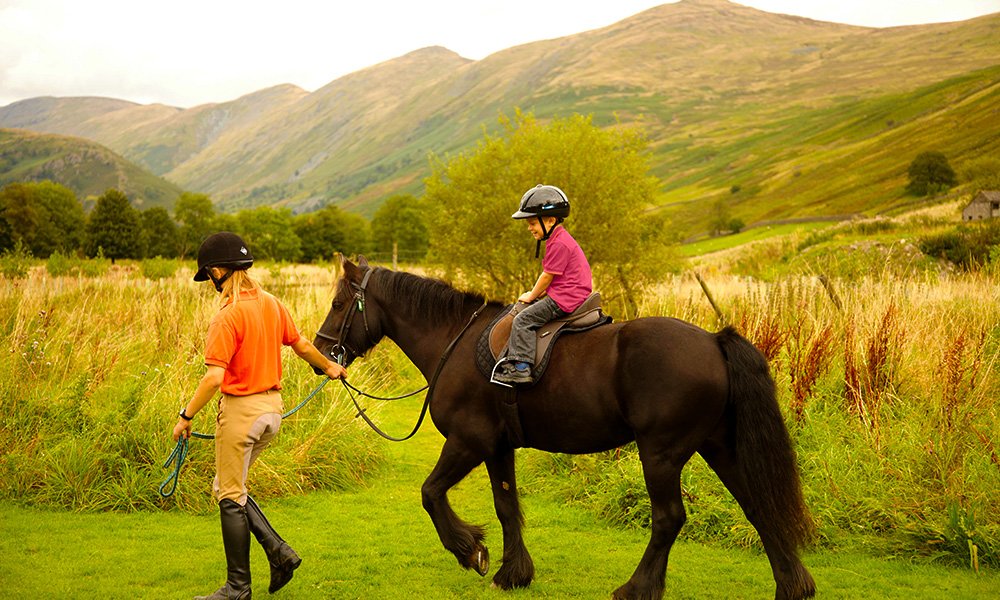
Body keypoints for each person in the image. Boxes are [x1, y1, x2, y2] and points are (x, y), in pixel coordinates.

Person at [171, 231, 347, 600]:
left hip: (241, 413)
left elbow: (214, 378)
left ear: (219, 271)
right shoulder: (271, 303)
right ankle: (279, 553)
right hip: (272, 413)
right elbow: (300, 344)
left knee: (229, 495)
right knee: (230, 488)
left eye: (209, 277)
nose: (210, 285)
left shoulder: (227, 316)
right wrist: (330, 367)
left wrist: (185, 415)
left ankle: (238, 587)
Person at [494, 184, 593, 385]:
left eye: (532, 223)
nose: (529, 228)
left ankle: (521, 367)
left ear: (549, 220)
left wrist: (531, 295)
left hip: (565, 298)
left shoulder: (559, 244)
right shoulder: (559, 239)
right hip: (569, 292)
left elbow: (547, 277)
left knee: (523, 319)